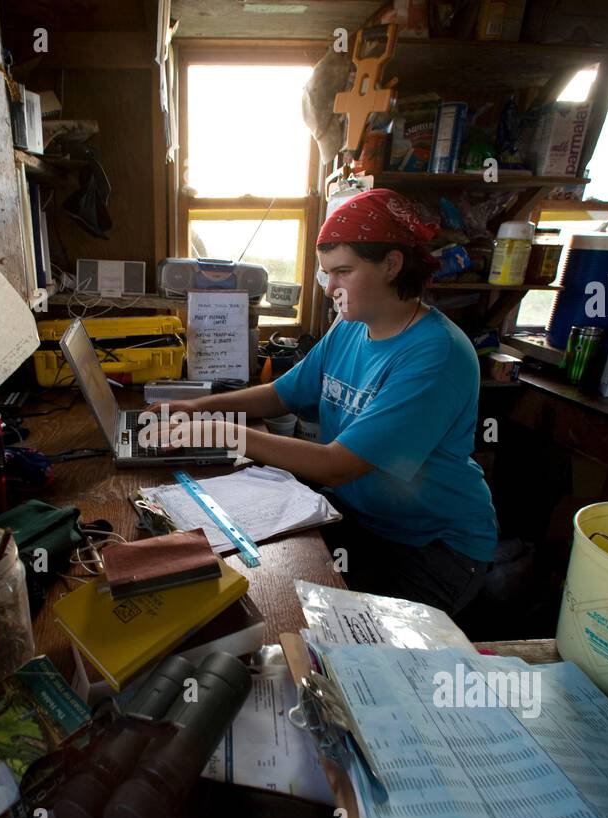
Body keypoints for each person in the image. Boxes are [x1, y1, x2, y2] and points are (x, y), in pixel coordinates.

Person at [151, 188, 497, 616]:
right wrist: (200, 407)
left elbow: (338, 463)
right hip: (363, 519)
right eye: (326, 273)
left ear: (391, 264)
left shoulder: (435, 355)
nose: (331, 288)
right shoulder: (351, 326)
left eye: (343, 272)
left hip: (432, 548)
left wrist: (221, 431)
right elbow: (283, 394)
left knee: (349, 652)